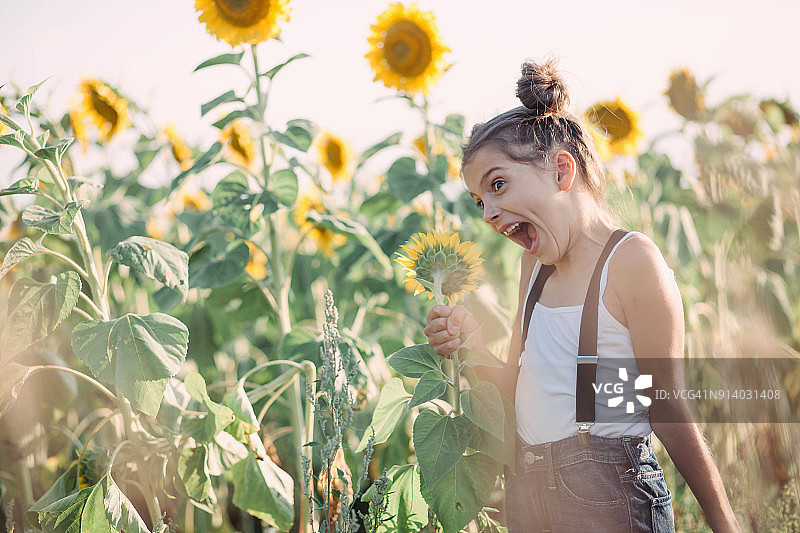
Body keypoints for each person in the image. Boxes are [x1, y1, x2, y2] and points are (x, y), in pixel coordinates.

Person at [423, 60, 741, 532]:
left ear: (561, 171)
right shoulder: (533, 266)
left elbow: (668, 405)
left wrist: (722, 520)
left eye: (498, 184)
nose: (488, 212)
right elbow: (518, 389)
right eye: (480, 201)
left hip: (609, 497)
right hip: (528, 494)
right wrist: (469, 347)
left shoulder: (631, 262)